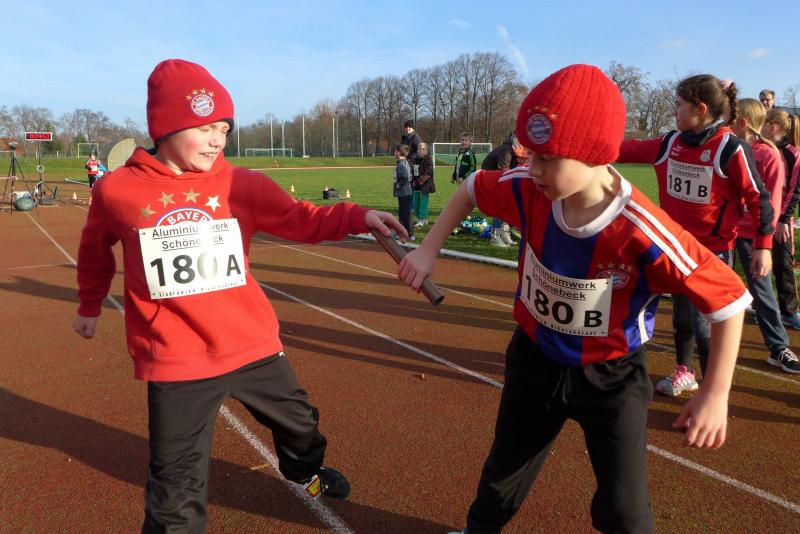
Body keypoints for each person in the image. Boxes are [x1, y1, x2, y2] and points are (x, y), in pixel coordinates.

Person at [399, 64, 750, 534]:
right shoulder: (528, 189)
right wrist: (428, 249)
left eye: (547, 158)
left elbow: (729, 299)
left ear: (594, 154)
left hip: (612, 378)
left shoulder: (644, 231)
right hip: (535, 358)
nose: (532, 168)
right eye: (530, 155)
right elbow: (472, 187)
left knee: (625, 511)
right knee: (502, 476)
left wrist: (715, 393)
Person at [72, 59, 408, 533]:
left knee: (302, 428)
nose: (217, 141)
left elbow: (302, 218)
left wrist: (358, 216)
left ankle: (303, 470)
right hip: (177, 358)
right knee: (174, 488)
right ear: (166, 127)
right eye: (205, 128)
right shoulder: (117, 191)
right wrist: (90, 304)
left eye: (224, 130)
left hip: (251, 346)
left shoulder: (239, 183)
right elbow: (94, 249)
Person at [618, 74, 775, 396]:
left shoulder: (730, 148)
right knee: (682, 319)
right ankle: (684, 371)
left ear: (700, 109)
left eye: (678, 105)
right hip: (677, 246)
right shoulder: (669, 143)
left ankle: (710, 393)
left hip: (712, 252)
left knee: (705, 326)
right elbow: (622, 149)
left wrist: (763, 246)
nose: (673, 111)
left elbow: (759, 198)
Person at [731, 99, 800, 373]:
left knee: (762, 291)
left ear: (744, 121)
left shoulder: (769, 154)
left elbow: (772, 202)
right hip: (724, 232)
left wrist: (765, 242)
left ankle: (778, 347)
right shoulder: (728, 147)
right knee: (712, 287)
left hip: (752, 235)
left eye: (733, 117)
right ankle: (701, 348)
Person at [763, 108, 800, 330]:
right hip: (757, 218)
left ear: (772, 127)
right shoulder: (760, 149)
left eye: (763, 123)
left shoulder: (792, 154)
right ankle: (763, 308)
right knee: (758, 265)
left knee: (783, 264)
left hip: (779, 221)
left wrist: (783, 219)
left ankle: (789, 312)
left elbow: (794, 191)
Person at [481, 132, 527, 247]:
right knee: (501, 205)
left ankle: (505, 234)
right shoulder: (506, 150)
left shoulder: (519, 150)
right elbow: (503, 172)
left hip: (503, 177)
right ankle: (495, 236)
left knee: (511, 205)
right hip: (490, 178)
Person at [411, 142, 435, 228]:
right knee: (415, 203)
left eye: (423, 149)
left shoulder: (428, 159)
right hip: (416, 184)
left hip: (425, 184)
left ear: (427, 151)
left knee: (423, 203)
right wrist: (413, 181)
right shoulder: (415, 159)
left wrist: (422, 180)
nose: (421, 150)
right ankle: (419, 218)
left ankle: (422, 218)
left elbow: (429, 171)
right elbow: (413, 171)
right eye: (419, 149)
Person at [393, 143, 414, 240]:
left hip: (404, 192)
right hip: (403, 193)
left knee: (406, 213)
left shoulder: (401, 164)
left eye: (395, 151)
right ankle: (400, 232)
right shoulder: (402, 162)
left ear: (398, 152)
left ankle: (410, 234)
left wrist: (399, 184)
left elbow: (405, 176)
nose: (394, 153)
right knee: (402, 213)